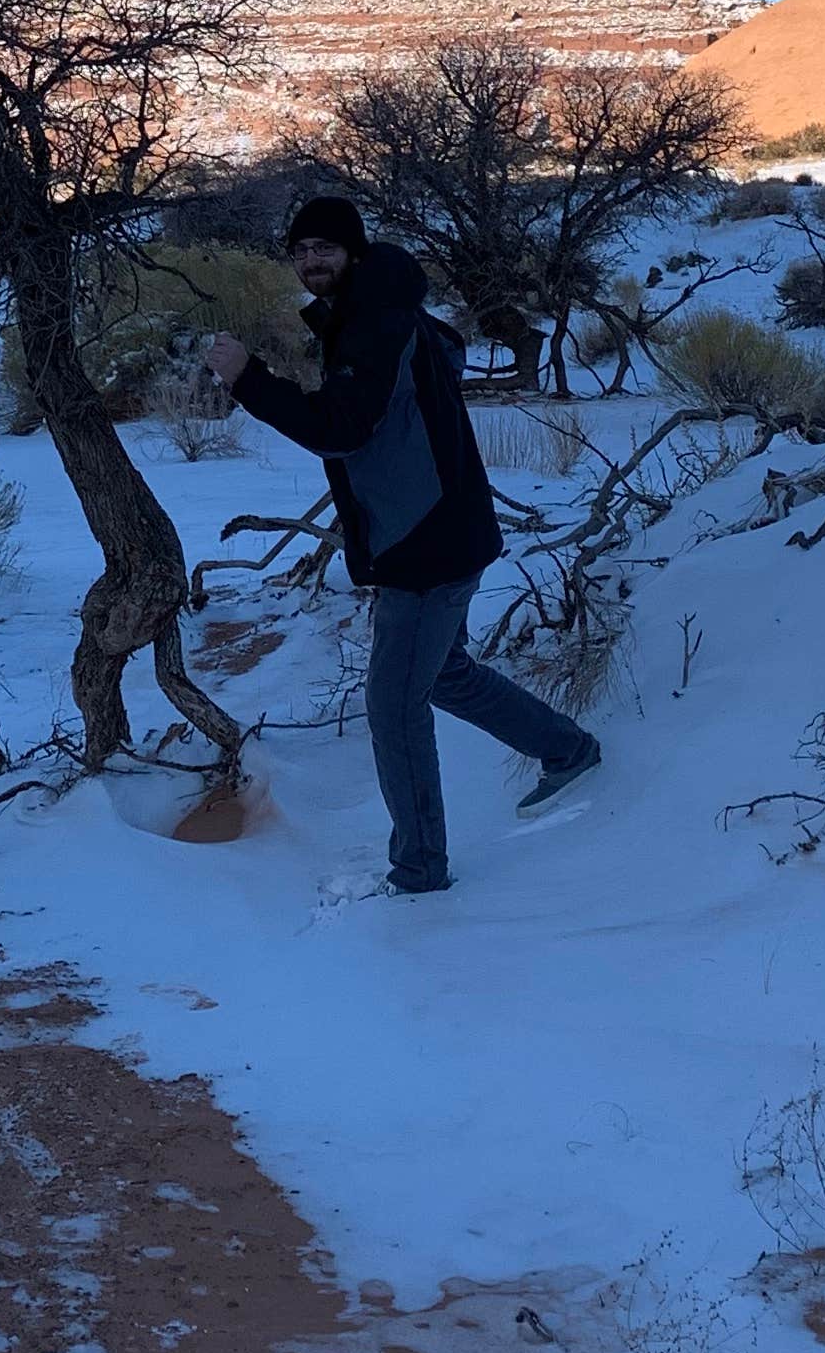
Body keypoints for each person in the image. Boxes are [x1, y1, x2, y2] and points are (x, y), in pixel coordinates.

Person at [204, 195, 600, 895]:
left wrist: (249, 380)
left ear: (354, 252)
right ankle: (567, 749)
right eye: (299, 250)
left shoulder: (375, 321)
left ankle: (420, 870)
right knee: (442, 673)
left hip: (427, 542)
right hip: (437, 529)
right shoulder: (375, 309)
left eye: (323, 247)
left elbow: (342, 427)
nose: (309, 260)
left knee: (393, 705)